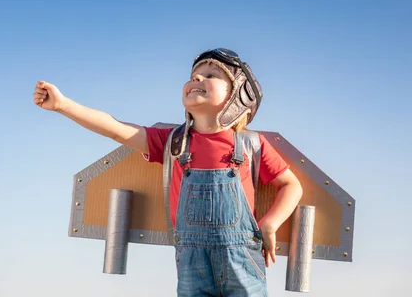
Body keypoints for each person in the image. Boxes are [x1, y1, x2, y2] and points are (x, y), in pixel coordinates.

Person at [33, 48, 303, 297]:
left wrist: (270, 223)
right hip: (191, 261)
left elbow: (291, 185)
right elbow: (115, 128)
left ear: (240, 95)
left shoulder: (250, 145)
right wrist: (63, 105)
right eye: (194, 74)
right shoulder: (173, 142)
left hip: (243, 258)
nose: (197, 76)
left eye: (211, 75)